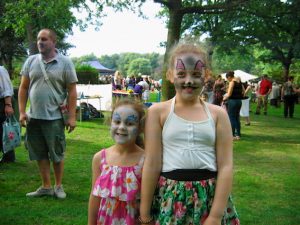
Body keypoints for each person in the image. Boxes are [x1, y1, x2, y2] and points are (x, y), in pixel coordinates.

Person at [139, 42, 239, 225]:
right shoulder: (157, 112)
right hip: (170, 198)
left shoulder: (218, 115)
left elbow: (226, 166)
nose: (189, 81)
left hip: (209, 198)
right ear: (170, 75)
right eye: (181, 74)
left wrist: (216, 216)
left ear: (206, 75)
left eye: (196, 74)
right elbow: (152, 163)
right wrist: (144, 214)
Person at [18, 28, 78, 199]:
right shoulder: (30, 61)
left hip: (54, 118)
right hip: (34, 117)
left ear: (53, 42)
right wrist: (22, 112)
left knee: (57, 152)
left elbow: (72, 91)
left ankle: (58, 186)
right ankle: (46, 186)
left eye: (44, 39)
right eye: (38, 39)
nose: (40, 42)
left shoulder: (65, 62)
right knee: (39, 153)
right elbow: (23, 88)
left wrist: (72, 116)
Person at [88, 99, 145, 225]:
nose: (122, 127)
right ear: (110, 122)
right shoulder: (100, 159)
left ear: (140, 128)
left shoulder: (145, 160)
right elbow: (95, 196)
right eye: (117, 121)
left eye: (130, 123)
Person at [0, 66, 16, 163]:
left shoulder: (0, 70)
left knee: (3, 130)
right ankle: (8, 156)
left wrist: (8, 105)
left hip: (2, 103)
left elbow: (6, 89)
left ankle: (9, 156)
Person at [223, 73, 245, 140]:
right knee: (237, 117)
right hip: (239, 101)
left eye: (227, 78)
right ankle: (238, 134)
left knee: (231, 118)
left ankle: (232, 135)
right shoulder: (240, 82)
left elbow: (229, 94)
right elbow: (244, 92)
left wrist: (224, 98)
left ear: (229, 77)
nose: (227, 80)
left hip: (232, 101)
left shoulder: (232, 82)